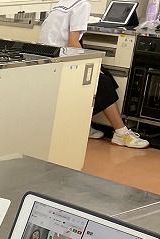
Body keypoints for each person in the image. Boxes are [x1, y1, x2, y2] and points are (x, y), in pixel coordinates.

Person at [39, 1, 149, 149]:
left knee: (107, 77)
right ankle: (121, 134)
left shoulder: (63, 2)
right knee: (103, 83)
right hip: (60, 60)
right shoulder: (83, 5)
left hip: (47, 57)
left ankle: (82, 124)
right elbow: (73, 42)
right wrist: (92, 66)